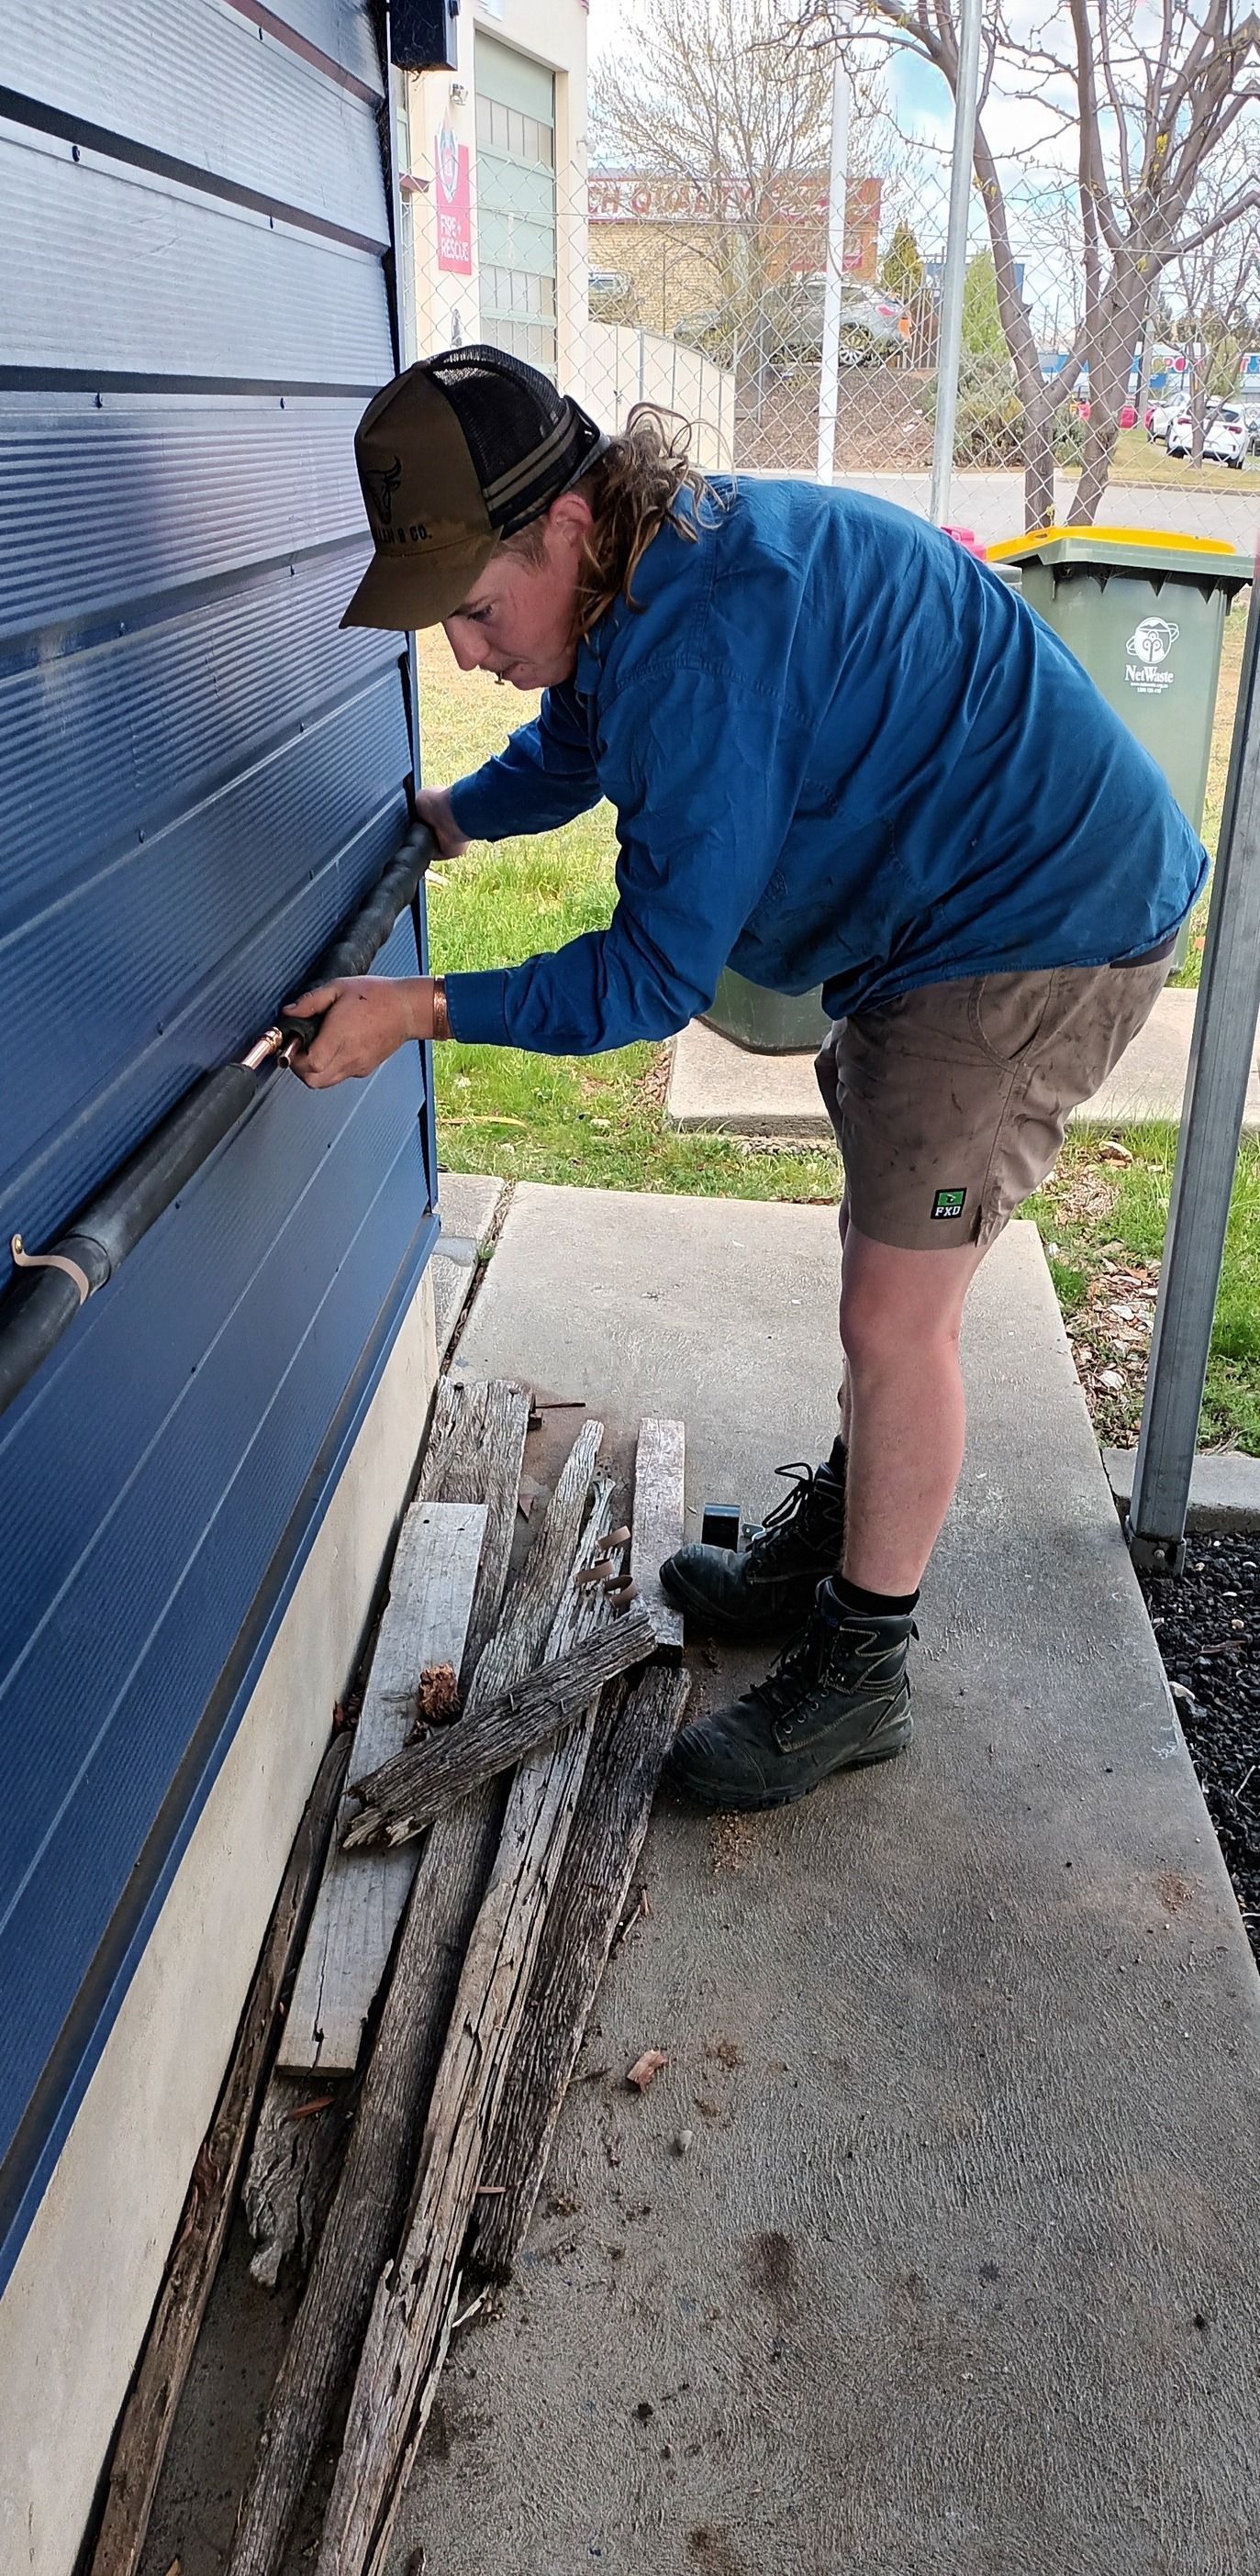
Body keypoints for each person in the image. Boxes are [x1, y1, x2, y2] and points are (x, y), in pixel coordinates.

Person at [285, 345, 1206, 1815]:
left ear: (568, 524)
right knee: (884, 1264)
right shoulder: (643, 580)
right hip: (942, 920)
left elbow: (649, 981)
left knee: (894, 1316)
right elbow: (574, 741)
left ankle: (863, 1669)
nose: (462, 654)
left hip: (1039, 930)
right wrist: (454, 816)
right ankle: (841, 1541)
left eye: (470, 609)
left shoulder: (704, 647)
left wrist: (412, 1008)